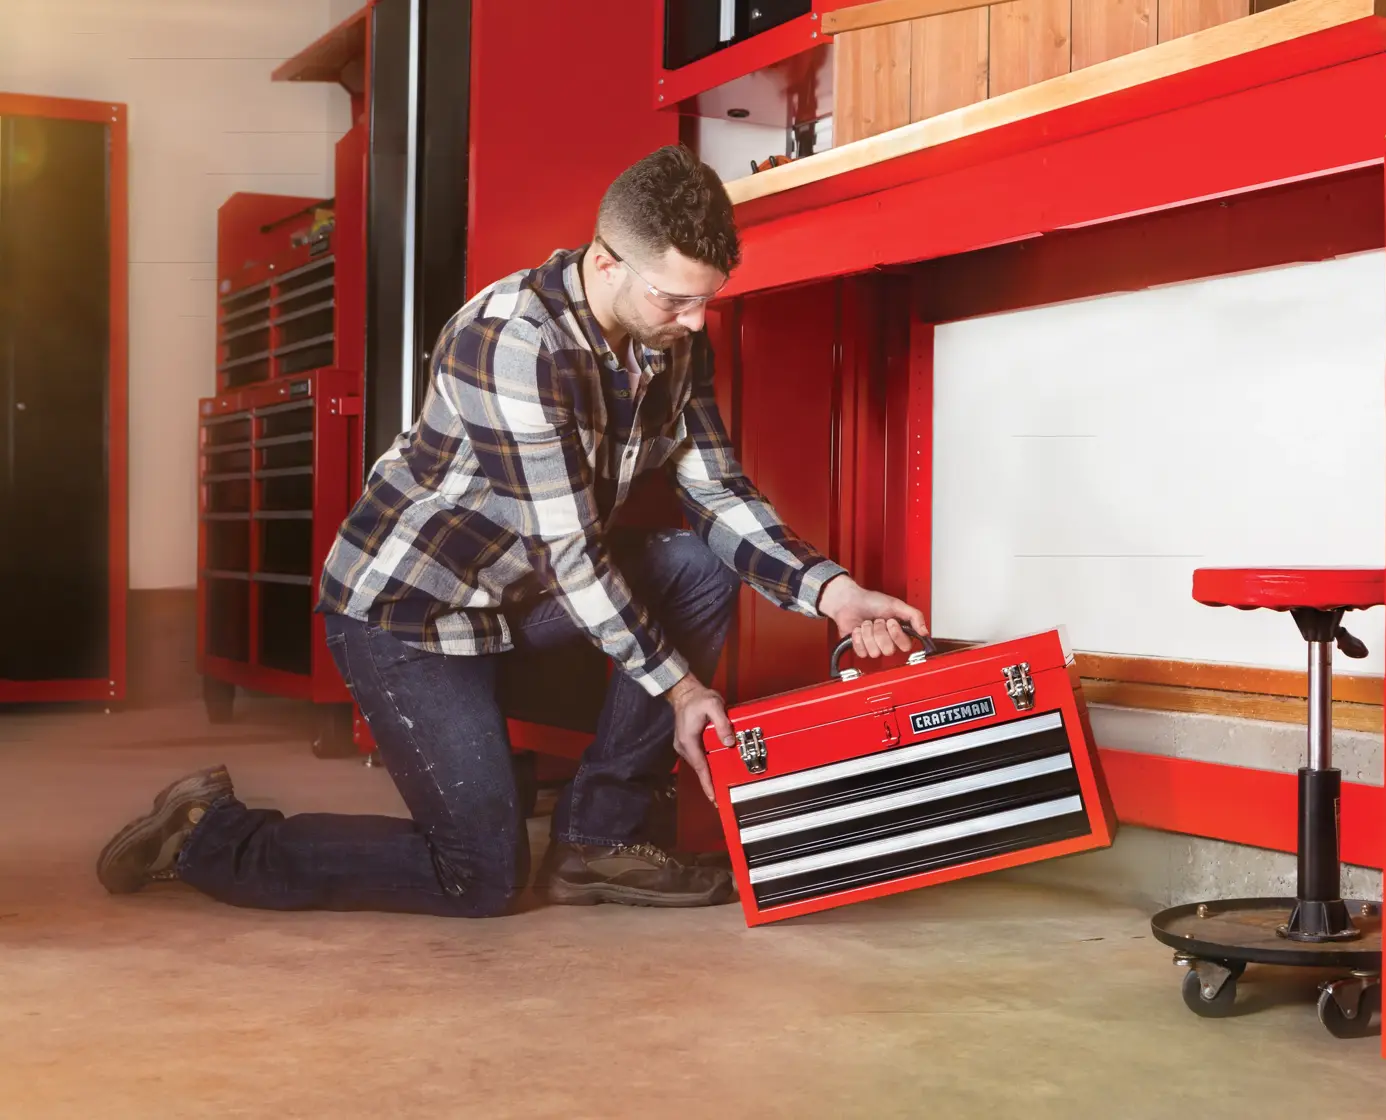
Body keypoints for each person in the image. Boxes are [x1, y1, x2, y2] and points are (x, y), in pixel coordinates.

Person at [96, 145, 925, 916]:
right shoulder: (510, 340)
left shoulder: (668, 341)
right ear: (606, 262)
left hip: (518, 600)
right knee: (479, 876)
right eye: (675, 298)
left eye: (707, 298)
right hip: (410, 618)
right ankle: (209, 832)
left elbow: (718, 491)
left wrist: (834, 592)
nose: (697, 321)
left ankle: (598, 840)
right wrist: (681, 688)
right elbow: (571, 555)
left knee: (694, 564)